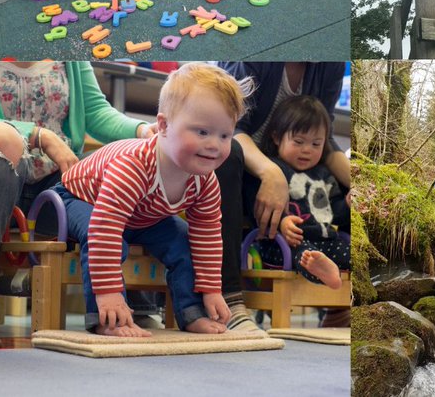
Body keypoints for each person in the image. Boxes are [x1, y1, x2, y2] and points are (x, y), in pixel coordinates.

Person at [0, 62, 154, 348]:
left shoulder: (71, 56)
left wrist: (142, 130)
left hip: (58, 183)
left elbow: (97, 113)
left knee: (124, 173)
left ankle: (132, 305)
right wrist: (39, 135)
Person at [54, 63, 246, 336]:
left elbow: (208, 236)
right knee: (106, 237)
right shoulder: (133, 167)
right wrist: (108, 293)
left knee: (184, 240)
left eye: (225, 135)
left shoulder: (205, 180)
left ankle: (192, 313)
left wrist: (212, 289)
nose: (214, 144)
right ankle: (106, 319)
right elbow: (104, 228)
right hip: (81, 199)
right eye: (202, 132)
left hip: (139, 215)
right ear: (164, 125)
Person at [218, 62, 348, 330]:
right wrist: (270, 171)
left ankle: (340, 304)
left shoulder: (331, 65)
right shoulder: (254, 58)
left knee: (353, 190)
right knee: (226, 160)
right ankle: (230, 297)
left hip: (315, 223)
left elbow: (325, 132)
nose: (307, 148)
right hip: (245, 155)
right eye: (300, 142)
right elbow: (229, 127)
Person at [256, 95, 347, 289]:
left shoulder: (324, 173)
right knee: (304, 253)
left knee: (351, 251)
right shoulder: (272, 169)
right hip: (285, 244)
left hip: (326, 241)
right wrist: (282, 222)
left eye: (316, 144)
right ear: (277, 137)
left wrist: (347, 203)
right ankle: (324, 269)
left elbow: (336, 213)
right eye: (298, 142)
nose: (307, 150)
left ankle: (329, 269)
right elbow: (260, 205)